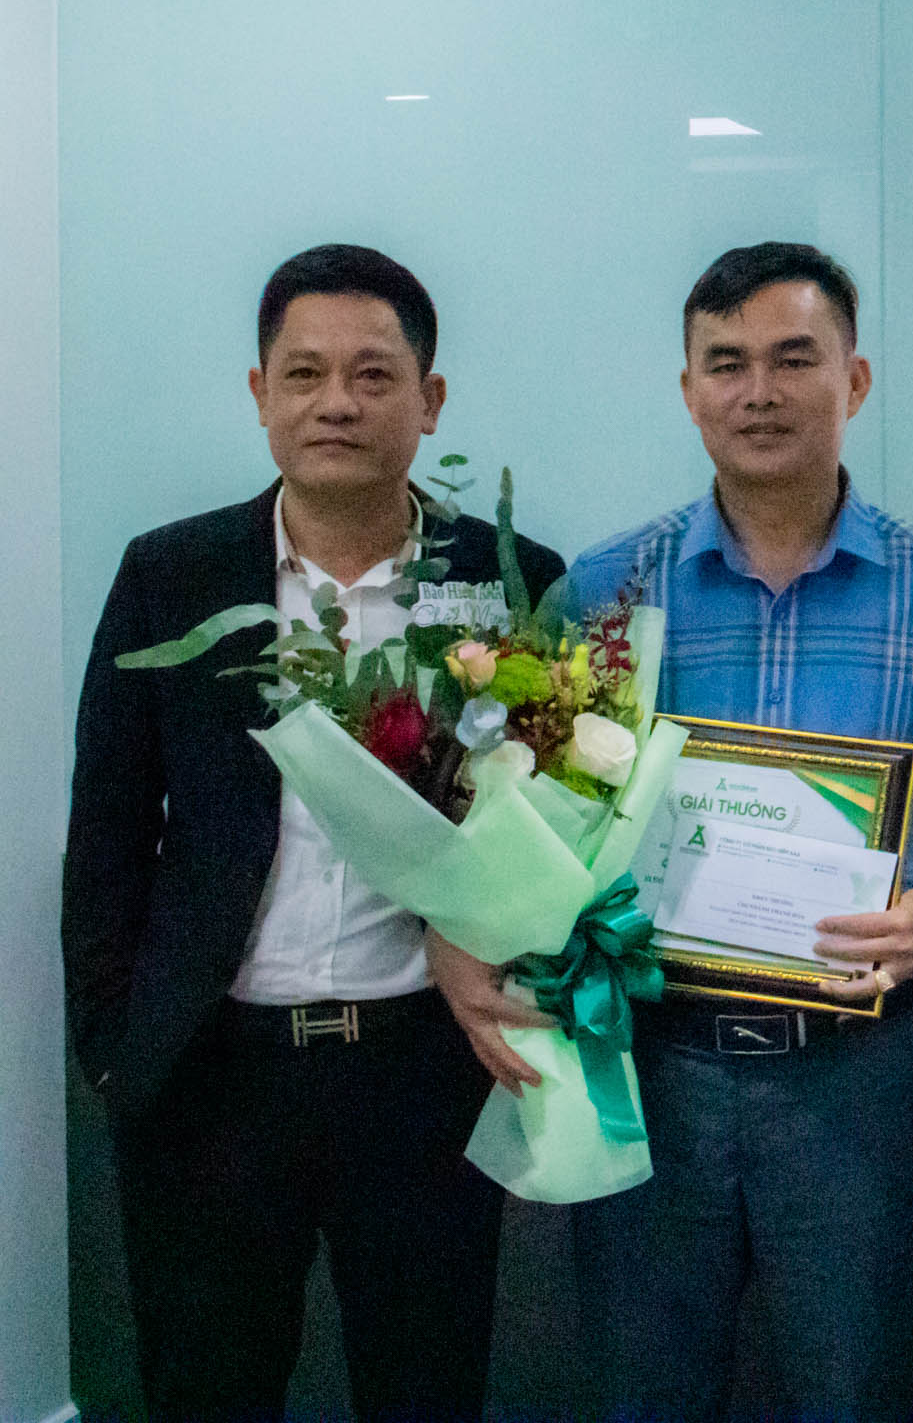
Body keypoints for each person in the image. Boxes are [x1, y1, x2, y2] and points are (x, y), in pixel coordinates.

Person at [65, 244, 561, 1423]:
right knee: (207, 1391)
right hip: (213, 1071)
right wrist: (112, 1045)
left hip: (422, 1070)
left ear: (430, 399)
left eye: (374, 374)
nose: (337, 401)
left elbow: (549, 816)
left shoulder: (505, 581)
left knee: (426, 1387)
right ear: (261, 393)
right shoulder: (173, 574)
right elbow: (110, 825)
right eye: (304, 373)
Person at [534, 242, 913, 1422]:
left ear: (855, 379)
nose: (759, 391)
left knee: (858, 1391)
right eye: (727, 363)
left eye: (794, 358)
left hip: (861, 1077)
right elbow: (537, 808)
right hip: (651, 1066)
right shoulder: (606, 587)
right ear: (689, 387)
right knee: (644, 1396)